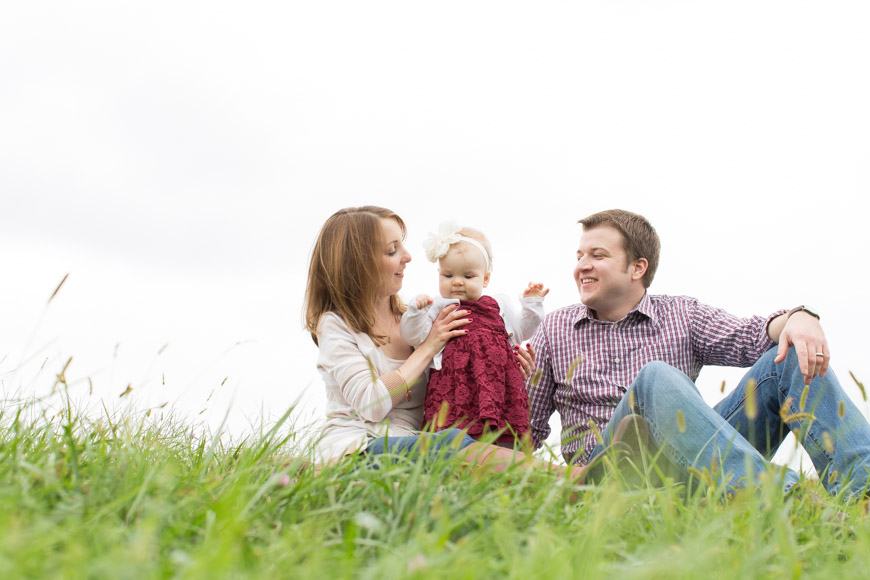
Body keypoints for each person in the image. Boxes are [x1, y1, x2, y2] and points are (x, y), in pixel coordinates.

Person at [527, 208, 870, 498]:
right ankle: (790, 499)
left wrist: (800, 317)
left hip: (696, 460)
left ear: (637, 268)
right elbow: (523, 430)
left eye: (597, 255)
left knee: (789, 356)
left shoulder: (682, 314)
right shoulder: (555, 329)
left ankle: (863, 492)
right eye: (579, 256)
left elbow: (751, 336)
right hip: (612, 473)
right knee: (654, 377)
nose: (581, 266)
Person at [303, 206, 591, 484]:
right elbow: (372, 403)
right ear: (361, 263)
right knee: (451, 444)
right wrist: (429, 346)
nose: (408, 257)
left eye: (402, 246)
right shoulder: (336, 324)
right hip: (357, 448)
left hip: (416, 442)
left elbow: (456, 376)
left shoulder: (413, 320)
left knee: (471, 454)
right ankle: (571, 480)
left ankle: (588, 476)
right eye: (393, 250)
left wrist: (505, 366)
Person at [399, 221, 547, 447]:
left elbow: (523, 331)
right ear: (439, 274)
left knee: (502, 438)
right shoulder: (438, 307)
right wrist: (415, 312)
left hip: (497, 388)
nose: (457, 282)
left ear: (485, 278)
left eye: (468, 276)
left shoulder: (500, 305)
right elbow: (414, 337)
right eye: (448, 275)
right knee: (453, 441)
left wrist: (532, 304)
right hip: (454, 388)